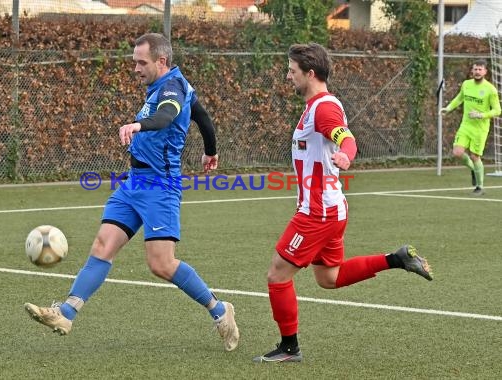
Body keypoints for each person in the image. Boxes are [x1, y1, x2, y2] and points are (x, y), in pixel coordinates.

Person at [24, 33, 239, 352]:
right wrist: (211, 150)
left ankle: (220, 311)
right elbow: (202, 115)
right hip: (134, 183)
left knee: (161, 264)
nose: (136, 69)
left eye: (142, 62)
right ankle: (66, 313)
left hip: (160, 187)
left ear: (161, 62)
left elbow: (166, 115)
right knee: (102, 245)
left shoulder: (171, 88)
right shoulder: (173, 85)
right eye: (134, 62)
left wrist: (138, 126)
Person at [252, 43, 433, 363]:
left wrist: (346, 155)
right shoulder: (315, 107)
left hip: (318, 213)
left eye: (292, 70)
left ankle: (289, 348)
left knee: (277, 275)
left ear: (310, 73)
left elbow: (346, 138)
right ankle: (397, 258)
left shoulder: (324, 107)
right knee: (329, 278)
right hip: (330, 209)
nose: (287, 75)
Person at [441, 59, 501, 196]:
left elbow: (497, 110)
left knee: (475, 156)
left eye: (480, 69)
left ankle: (480, 187)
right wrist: (448, 108)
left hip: (480, 129)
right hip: (466, 125)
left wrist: (481, 115)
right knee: (457, 152)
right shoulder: (466, 84)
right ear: (472, 71)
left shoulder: (490, 89)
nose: (477, 72)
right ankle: (474, 170)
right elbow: (459, 98)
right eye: (475, 69)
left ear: (485, 72)